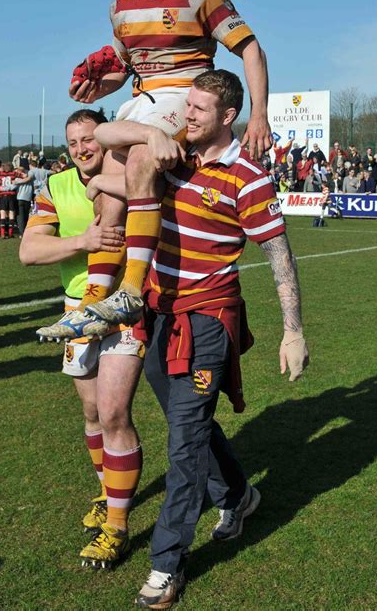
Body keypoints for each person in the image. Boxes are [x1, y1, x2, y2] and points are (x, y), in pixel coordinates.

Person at [105, 70, 307, 609]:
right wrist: (147, 134)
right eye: (186, 105)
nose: (186, 115)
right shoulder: (174, 153)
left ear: (226, 117)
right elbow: (99, 139)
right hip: (159, 314)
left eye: (197, 109)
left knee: (185, 442)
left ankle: (166, 566)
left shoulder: (247, 177)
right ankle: (239, 496)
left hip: (206, 322)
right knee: (186, 423)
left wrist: (293, 331)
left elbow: (280, 258)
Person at [39, 0, 273, 341]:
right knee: (108, 186)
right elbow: (126, 67)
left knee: (144, 156)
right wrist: (94, 88)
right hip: (141, 100)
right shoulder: (120, 7)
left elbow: (250, 49)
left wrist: (259, 115)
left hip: (184, 94)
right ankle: (94, 300)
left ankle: (130, 290)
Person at [20, 109, 144, 568]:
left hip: (123, 309)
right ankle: (107, 491)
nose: (81, 149)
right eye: (73, 142)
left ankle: (117, 525)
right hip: (76, 311)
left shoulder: (130, 172)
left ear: (105, 138)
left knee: (114, 412)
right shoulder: (56, 187)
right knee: (92, 412)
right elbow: (29, 251)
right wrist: (82, 241)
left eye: (88, 138)